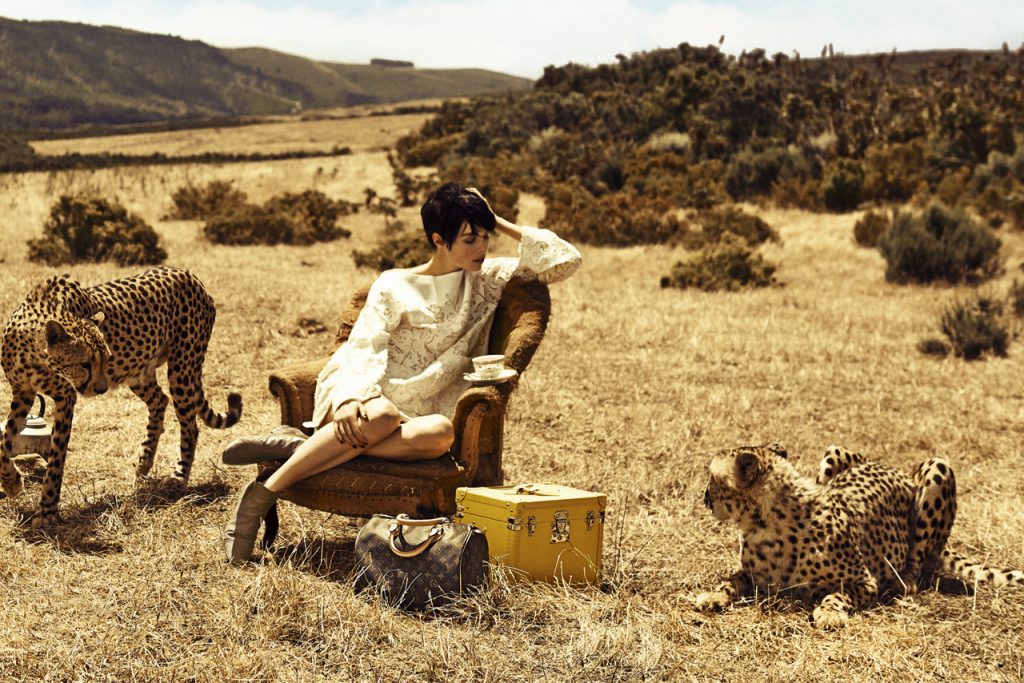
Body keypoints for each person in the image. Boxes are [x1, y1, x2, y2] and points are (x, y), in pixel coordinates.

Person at [224, 182, 582, 564]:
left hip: (417, 415)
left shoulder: (487, 279)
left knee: (441, 432)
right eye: (469, 239)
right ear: (438, 239)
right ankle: (262, 496)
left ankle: (302, 448)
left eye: (485, 237)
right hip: (367, 394)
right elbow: (365, 345)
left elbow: (566, 260)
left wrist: (496, 220)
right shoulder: (394, 283)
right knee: (382, 414)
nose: (481, 247)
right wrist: (349, 398)